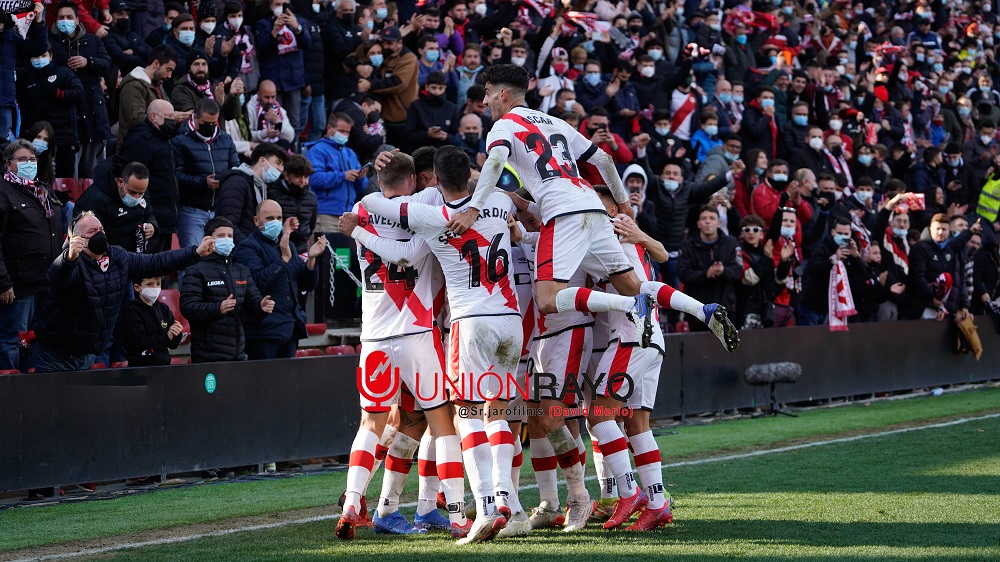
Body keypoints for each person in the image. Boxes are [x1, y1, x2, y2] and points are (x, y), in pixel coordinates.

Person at [349, 146, 520, 544]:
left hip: (432, 328)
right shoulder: (491, 198)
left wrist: (358, 217)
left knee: (422, 421)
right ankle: (458, 504)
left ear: (434, 180)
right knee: (430, 420)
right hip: (477, 325)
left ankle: (414, 505)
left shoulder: (427, 212)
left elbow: (392, 229)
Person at [30, 211, 214, 372]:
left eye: (101, 230)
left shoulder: (117, 257)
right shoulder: (70, 261)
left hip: (88, 354)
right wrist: (69, 258)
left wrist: (195, 253)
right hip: (55, 354)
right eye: (92, 232)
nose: (100, 234)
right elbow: (56, 278)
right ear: (77, 240)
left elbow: (156, 262)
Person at [0, 140, 62, 372]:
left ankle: (29, 391)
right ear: (8, 164)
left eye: (32, 160)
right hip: (18, 285)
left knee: (34, 340)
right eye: (22, 160)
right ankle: (8, 392)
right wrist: (3, 282)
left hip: (45, 282)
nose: (29, 164)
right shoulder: (3, 192)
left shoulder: (42, 189)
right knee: (11, 341)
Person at [233, 199, 322, 359]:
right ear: (256, 220)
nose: (275, 222)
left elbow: (306, 285)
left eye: (279, 218)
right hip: (263, 332)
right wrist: (283, 260)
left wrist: (311, 261)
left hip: (290, 329)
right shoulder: (247, 247)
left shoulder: (289, 245)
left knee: (287, 383)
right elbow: (256, 284)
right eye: (269, 218)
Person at [180, 216, 274, 363]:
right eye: (221, 236)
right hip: (208, 356)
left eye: (230, 236)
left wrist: (261, 306)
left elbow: (252, 300)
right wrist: (217, 308)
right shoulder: (196, 271)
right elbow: (188, 307)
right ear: (208, 239)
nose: (227, 239)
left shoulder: (241, 270)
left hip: (238, 355)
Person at [305, 111, 368, 326]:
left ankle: (343, 310)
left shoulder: (350, 152)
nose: (344, 135)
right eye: (341, 131)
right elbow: (313, 178)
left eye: (347, 132)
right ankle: (324, 311)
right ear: (330, 129)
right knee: (327, 263)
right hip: (326, 214)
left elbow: (361, 187)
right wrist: (342, 176)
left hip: (348, 215)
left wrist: (361, 177)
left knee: (345, 263)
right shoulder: (317, 150)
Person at [48, 0, 115, 178]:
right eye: (61, 17)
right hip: (64, 116)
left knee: (93, 173)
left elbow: (108, 66)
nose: (65, 20)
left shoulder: (92, 41)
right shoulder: (49, 42)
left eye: (69, 17)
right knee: (68, 174)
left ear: (78, 20)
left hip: (93, 113)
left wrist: (88, 62)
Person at [172, 98, 239, 248]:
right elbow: (177, 176)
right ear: (195, 118)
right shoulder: (180, 141)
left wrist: (226, 180)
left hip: (220, 209)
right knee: (191, 258)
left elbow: (236, 168)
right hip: (192, 210)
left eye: (213, 123)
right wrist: (203, 182)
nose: (209, 127)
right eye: (205, 123)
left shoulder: (226, 140)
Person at [119, 99, 179, 253]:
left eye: (173, 116)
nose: (172, 120)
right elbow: (129, 177)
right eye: (168, 116)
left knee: (162, 270)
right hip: (149, 219)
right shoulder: (140, 140)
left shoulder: (164, 138)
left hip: (166, 217)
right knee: (149, 270)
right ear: (153, 116)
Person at [899, 214, 980, 321]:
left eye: (943, 229)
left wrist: (970, 231)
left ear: (950, 229)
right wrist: (933, 297)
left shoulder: (948, 248)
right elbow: (918, 278)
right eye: (937, 229)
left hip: (936, 307)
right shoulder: (920, 248)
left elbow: (959, 241)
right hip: (916, 308)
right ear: (930, 228)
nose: (940, 232)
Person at [678, 205, 741, 330]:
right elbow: (683, 273)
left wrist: (723, 271)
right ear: (698, 223)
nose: (707, 221)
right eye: (704, 218)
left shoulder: (731, 243)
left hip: (725, 307)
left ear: (719, 223)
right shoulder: (687, 244)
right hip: (696, 309)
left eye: (712, 218)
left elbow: (738, 271)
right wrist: (706, 274)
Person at [74, 159, 158, 253]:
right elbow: (86, 235)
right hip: (109, 255)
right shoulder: (94, 200)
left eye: (141, 193)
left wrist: (152, 225)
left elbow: (148, 214)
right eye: (132, 192)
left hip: (137, 254)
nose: (136, 197)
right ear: (120, 182)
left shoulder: (141, 190)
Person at [254, 0, 311, 130]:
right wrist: (274, 31)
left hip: (294, 79)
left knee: (294, 121)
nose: (280, 7)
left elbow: (307, 44)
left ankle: (292, 148)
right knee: (273, 120)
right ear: (270, 6)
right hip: (274, 81)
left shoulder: (299, 22)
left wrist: (297, 27)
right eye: (277, 4)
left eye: (284, 4)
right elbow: (262, 49)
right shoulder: (263, 24)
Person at [216, 142, 287, 243]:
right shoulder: (236, 183)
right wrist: (249, 248)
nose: (281, 169)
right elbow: (228, 224)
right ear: (262, 161)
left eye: (283, 165)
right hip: (239, 251)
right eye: (278, 162)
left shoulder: (261, 186)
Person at [116, 44, 179, 146]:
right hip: (135, 149)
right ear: (155, 64)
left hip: (156, 147)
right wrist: (170, 118)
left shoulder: (158, 83)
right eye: (168, 70)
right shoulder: (133, 85)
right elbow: (136, 120)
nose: (169, 76)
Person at [116, 275, 182, 366]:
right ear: (137, 287)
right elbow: (137, 342)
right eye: (149, 284)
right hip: (140, 370)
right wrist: (166, 338)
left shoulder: (164, 308)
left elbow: (172, 344)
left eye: (158, 284)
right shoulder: (131, 310)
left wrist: (176, 333)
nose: (155, 288)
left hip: (164, 367)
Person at [268, 154, 318, 254]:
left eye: (306, 176)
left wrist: (304, 236)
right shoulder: (273, 195)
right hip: (277, 250)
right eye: (297, 176)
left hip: (302, 250)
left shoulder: (311, 198)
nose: (303, 181)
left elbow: (311, 225)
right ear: (286, 175)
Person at [245, 79, 295, 149]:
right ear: (259, 95)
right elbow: (246, 136)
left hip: (274, 146)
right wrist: (265, 134)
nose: (270, 101)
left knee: (284, 143)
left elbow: (290, 137)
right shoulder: (250, 108)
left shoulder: (280, 110)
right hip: (256, 148)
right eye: (266, 97)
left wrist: (278, 123)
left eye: (273, 97)